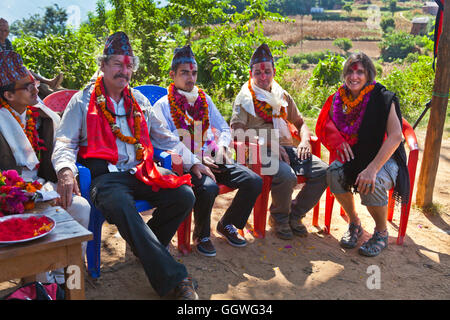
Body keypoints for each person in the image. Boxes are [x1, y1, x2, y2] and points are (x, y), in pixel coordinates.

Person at [52, 32, 200, 299]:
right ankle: (175, 279)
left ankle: (146, 247)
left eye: (129, 65)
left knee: (184, 194)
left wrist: (193, 162)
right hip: (105, 179)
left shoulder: (139, 101)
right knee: (121, 204)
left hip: (141, 171)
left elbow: (165, 137)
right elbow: (64, 141)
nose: (125, 71)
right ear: (104, 65)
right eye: (118, 64)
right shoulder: (83, 100)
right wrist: (65, 170)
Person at [153, 45, 262, 257]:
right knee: (208, 188)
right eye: (184, 73)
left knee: (253, 181)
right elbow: (166, 141)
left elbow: (223, 127)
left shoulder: (204, 99)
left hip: (213, 155)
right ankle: (202, 235)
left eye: (193, 73)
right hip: (185, 162)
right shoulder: (163, 106)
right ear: (172, 75)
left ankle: (228, 223)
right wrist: (196, 158)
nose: (190, 78)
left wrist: (220, 147)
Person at [0, 50, 90, 284]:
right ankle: (42, 286)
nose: (35, 88)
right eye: (27, 86)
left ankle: (64, 280)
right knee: (35, 224)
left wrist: (57, 185)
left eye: (34, 82)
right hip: (10, 199)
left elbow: (56, 156)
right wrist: (28, 195)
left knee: (80, 206)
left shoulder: (42, 117)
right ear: (9, 95)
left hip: (41, 188)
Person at [315, 52, 410, 257]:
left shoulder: (384, 98)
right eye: (350, 71)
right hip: (356, 157)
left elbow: (395, 137)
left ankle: (381, 233)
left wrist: (373, 169)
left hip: (385, 159)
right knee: (333, 172)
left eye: (360, 72)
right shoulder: (339, 99)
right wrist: (338, 141)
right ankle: (354, 222)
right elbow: (324, 123)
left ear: (369, 75)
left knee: (370, 181)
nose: (354, 76)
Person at [230, 44, 328, 240]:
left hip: (288, 148)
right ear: (251, 73)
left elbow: (300, 123)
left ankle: (295, 214)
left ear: (274, 71)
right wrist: (268, 144)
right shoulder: (245, 98)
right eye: (258, 72)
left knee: (324, 171)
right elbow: (236, 133)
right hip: (258, 153)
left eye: (267, 71)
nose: (263, 76)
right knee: (287, 176)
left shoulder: (281, 95)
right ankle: (279, 218)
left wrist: (305, 141)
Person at [0, 18, 63, 90]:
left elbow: (12, 58)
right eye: (0, 30)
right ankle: (47, 82)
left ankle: (48, 82)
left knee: (26, 70)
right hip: (3, 73)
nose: (3, 33)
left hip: (10, 70)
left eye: (5, 30)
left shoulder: (7, 42)